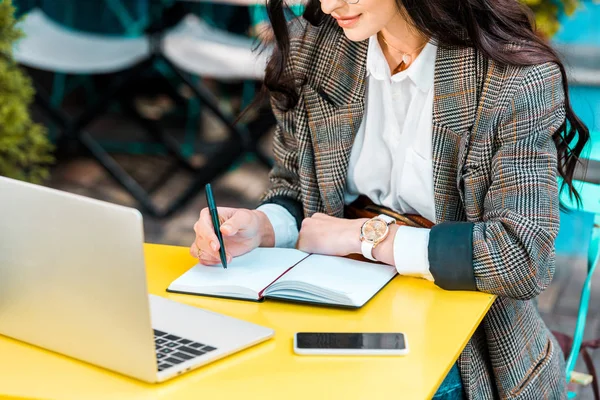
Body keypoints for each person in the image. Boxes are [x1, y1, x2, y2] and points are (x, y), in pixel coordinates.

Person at [191, 0, 590, 398]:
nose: (330, 5)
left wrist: (369, 236)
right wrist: (263, 225)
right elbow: (296, 182)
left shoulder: (514, 80)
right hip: (330, 306)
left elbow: (522, 256)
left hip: (466, 338)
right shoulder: (314, 47)